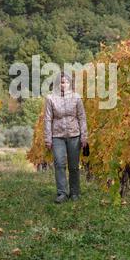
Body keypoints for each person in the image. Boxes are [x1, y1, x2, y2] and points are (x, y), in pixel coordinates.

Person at [44, 70, 88, 203]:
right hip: (57, 136)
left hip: (74, 135)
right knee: (59, 164)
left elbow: (82, 118)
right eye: (61, 82)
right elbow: (47, 119)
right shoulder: (50, 98)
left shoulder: (76, 98)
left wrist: (84, 136)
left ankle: (74, 193)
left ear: (70, 83)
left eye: (66, 82)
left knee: (74, 166)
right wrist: (47, 138)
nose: (63, 84)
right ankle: (62, 193)